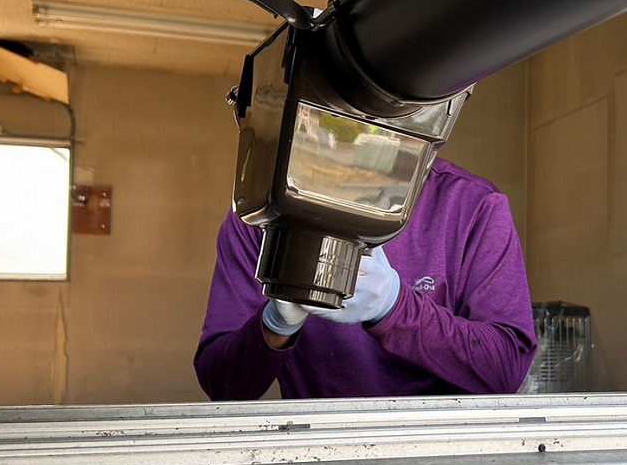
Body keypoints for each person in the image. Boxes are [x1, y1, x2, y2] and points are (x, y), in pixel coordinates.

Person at [194, 157, 537, 400]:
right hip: (318, 459)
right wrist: (275, 326)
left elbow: (504, 371)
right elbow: (222, 386)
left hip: (439, 464)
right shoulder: (263, 211)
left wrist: (395, 307)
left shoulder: (473, 206)